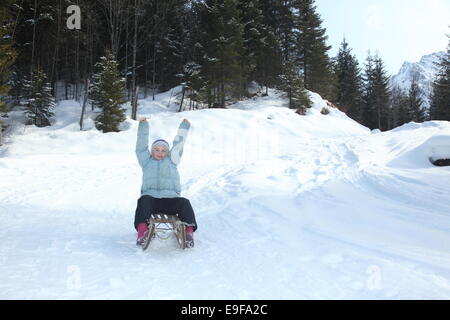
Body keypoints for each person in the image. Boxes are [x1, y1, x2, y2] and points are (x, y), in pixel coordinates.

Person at [134, 116, 197, 248]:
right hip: (152, 200)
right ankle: (142, 231)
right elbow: (140, 146)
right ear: (151, 151)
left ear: (168, 152)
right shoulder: (146, 161)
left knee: (185, 203)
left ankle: (188, 232)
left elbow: (179, 144)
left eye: (163, 150)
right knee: (142, 201)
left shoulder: (172, 161)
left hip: (170, 199)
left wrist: (183, 127)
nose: (160, 153)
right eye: (156, 150)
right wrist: (143, 125)